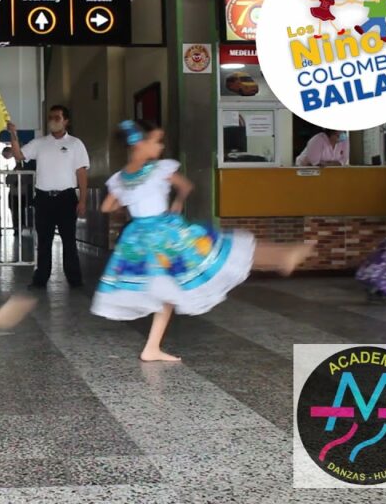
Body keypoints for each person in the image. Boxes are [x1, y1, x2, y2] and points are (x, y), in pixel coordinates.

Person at [92, 119, 314, 362]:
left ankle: (152, 347)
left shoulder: (122, 178)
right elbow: (185, 186)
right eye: (156, 141)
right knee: (219, 252)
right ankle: (283, 257)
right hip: (167, 236)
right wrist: (174, 201)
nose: (160, 147)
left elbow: (106, 206)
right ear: (140, 144)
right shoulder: (158, 170)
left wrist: (137, 201)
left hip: (142, 238)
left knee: (170, 287)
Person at [7, 105, 89, 288]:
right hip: (44, 199)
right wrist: (13, 135)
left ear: (66, 121)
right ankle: (40, 279)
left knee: (69, 241)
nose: (53, 120)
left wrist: (82, 200)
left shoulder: (76, 144)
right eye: (50, 117)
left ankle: (75, 280)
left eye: (57, 117)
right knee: (44, 241)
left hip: (66, 199)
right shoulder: (40, 143)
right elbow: (19, 155)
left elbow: (82, 173)